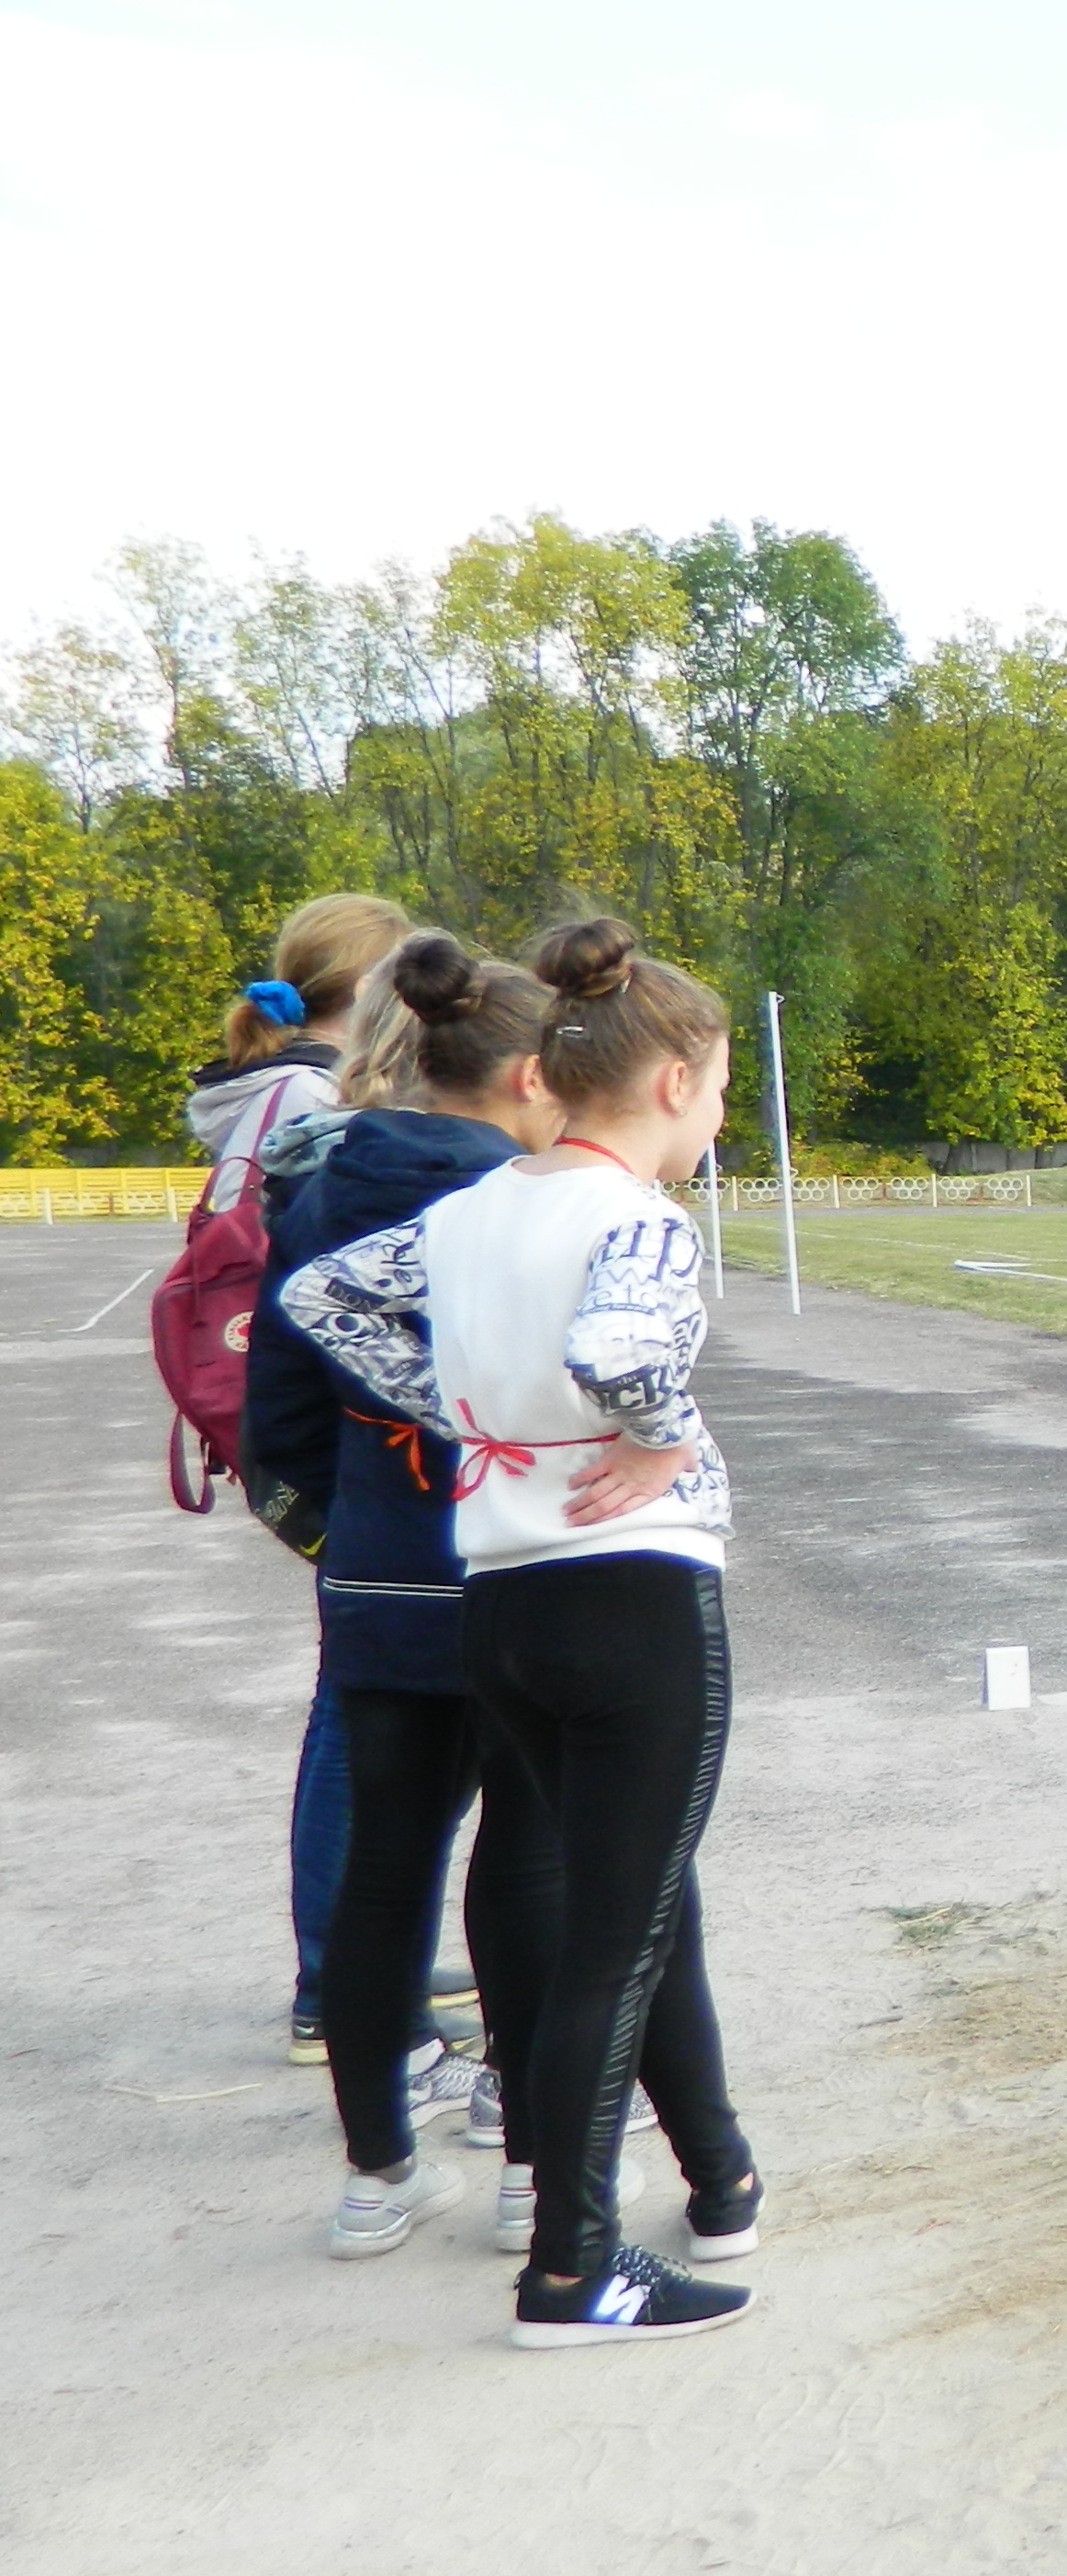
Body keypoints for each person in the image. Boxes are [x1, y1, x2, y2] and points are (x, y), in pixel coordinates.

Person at [283, 917, 761, 2345]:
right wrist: (661, 1435)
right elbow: (620, 1353)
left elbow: (322, 1300)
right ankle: (574, 2263)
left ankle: (719, 2175)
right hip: (632, 1595)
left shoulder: (478, 1205)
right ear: (671, 1080)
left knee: (643, 1900)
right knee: (612, 1932)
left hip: (503, 1601)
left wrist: (474, 1420)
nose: (720, 1115)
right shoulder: (635, 1216)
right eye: (723, 1086)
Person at [247, 934, 572, 2255]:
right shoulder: (538, 1199)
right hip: (522, 1568)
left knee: (387, 1874)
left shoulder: (321, 1188)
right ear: (533, 1074)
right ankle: (527, 2157)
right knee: (533, 1863)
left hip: (384, 1577)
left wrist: (350, 1538)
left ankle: (377, 2171)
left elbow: (276, 1404)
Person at [187, 893, 412, 2064]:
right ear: (378, 988)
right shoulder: (311, 1100)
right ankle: (338, 1974)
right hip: (336, 1435)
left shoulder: (268, 1086)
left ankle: (358, 1954)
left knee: (362, 1696)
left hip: (301, 1427)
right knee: (361, 1704)